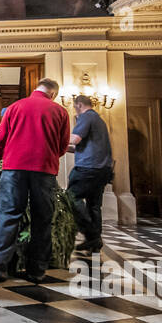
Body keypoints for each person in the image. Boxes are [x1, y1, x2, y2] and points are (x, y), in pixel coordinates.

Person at [0, 78, 71, 281]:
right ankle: (37, 270)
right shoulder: (59, 111)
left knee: (8, 215)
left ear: (37, 89)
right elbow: (62, 146)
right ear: (53, 94)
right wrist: (46, 155)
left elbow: (0, 141)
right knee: (42, 220)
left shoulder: (14, 108)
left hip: (14, 169)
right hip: (44, 170)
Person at [67, 94, 114, 254]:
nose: (75, 111)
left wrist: (54, 138)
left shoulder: (86, 117)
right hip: (102, 169)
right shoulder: (99, 120)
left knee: (71, 197)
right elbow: (81, 146)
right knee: (94, 205)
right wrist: (63, 148)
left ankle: (92, 236)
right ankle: (94, 243)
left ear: (79, 105)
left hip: (88, 168)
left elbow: (74, 139)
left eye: (74, 107)